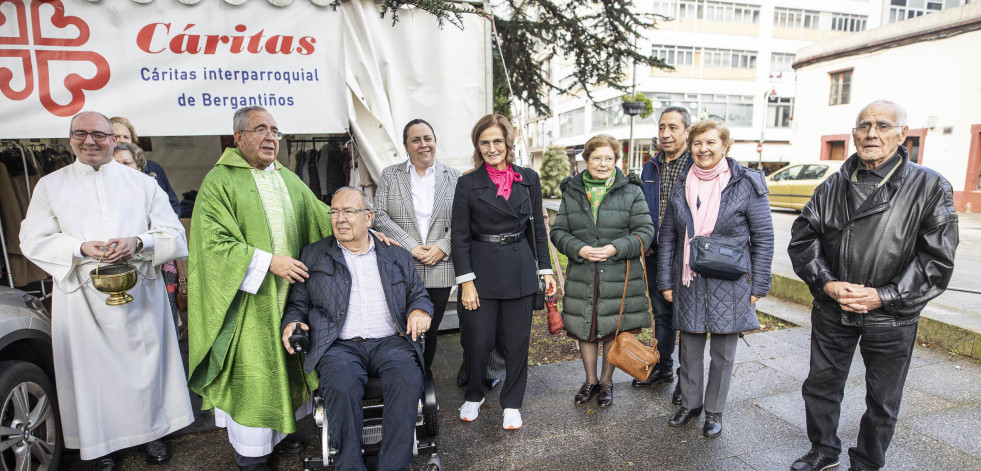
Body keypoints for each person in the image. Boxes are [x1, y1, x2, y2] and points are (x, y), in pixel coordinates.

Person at [788, 100, 958, 471]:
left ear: (902, 134)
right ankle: (823, 449)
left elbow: (937, 260)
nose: (871, 133)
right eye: (864, 126)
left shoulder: (929, 186)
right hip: (833, 307)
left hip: (892, 316)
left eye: (882, 125)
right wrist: (828, 284)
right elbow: (803, 240)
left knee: (883, 398)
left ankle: (867, 461)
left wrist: (885, 295)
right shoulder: (832, 184)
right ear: (853, 134)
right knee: (820, 385)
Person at [19, 111, 192, 470]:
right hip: (82, 295)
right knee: (93, 374)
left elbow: (175, 234)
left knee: (147, 367)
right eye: (80, 134)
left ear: (115, 140)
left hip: (139, 292)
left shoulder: (143, 184)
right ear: (70, 140)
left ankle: (153, 433)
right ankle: (102, 446)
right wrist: (80, 248)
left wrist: (138, 241)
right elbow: (31, 238)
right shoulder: (50, 185)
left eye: (99, 135)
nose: (90, 141)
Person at [187, 106, 333, 471]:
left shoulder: (286, 177)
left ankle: (280, 433)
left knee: (284, 362)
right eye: (260, 130)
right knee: (253, 371)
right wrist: (268, 262)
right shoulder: (220, 181)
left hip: (289, 295)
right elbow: (213, 244)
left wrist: (365, 228)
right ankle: (251, 453)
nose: (271, 138)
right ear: (238, 138)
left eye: (275, 131)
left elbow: (322, 215)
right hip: (247, 301)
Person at [281, 187, 432, 471]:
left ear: (368, 217)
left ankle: (394, 466)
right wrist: (293, 322)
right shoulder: (313, 255)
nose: (340, 219)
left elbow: (418, 294)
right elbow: (298, 304)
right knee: (341, 381)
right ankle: (349, 465)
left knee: (407, 377)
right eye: (335, 212)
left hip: (390, 341)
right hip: (340, 345)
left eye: (349, 211)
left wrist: (420, 310)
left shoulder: (395, 255)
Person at [657, 119, 774, 438]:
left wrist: (759, 285)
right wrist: (665, 280)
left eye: (711, 142)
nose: (703, 149)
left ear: (725, 146)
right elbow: (668, 235)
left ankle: (714, 411)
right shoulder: (682, 182)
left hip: (732, 279)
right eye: (697, 143)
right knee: (690, 345)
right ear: (690, 146)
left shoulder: (747, 183)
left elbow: (764, 237)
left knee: (723, 351)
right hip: (688, 277)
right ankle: (690, 403)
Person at [452, 114, 556, 429]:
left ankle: (512, 403)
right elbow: (459, 236)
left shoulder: (529, 178)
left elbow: (537, 228)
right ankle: (474, 394)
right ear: (477, 146)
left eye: (497, 141)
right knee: (477, 341)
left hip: (520, 268)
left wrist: (546, 268)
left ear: (507, 142)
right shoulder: (467, 183)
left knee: (517, 342)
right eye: (485, 142)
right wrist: (466, 281)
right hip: (481, 272)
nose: (492, 148)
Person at [550, 134, 655, 408]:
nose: (603, 164)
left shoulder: (631, 191)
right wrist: (579, 249)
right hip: (584, 272)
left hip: (619, 273)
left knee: (612, 330)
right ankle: (590, 380)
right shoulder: (573, 191)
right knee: (586, 328)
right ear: (586, 160)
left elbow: (645, 232)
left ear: (616, 161)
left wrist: (614, 248)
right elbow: (559, 231)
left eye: (609, 158)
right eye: (597, 158)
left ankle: (607, 383)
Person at [372, 119, 460, 374]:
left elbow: (465, 219)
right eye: (416, 139)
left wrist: (443, 246)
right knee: (399, 327)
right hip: (401, 263)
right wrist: (410, 246)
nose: (424, 144)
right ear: (406, 146)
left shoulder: (453, 177)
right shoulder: (391, 174)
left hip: (439, 265)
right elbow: (379, 215)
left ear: (435, 141)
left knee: (430, 330)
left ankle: (423, 378)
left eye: (428, 138)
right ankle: (402, 377)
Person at [633, 106, 694, 406]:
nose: (666, 134)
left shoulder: (697, 164)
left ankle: (688, 379)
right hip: (655, 253)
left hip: (688, 256)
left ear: (686, 131)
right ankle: (663, 368)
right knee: (662, 315)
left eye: (673, 127)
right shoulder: (650, 167)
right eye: (661, 127)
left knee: (689, 318)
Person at [114, 141, 182, 331]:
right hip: (122, 269)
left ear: (139, 165)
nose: (121, 169)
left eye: (126, 163)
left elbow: (172, 219)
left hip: (156, 261)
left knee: (163, 316)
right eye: (115, 164)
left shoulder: (152, 188)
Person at [110, 117, 180, 215]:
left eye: (126, 137)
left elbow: (172, 204)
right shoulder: (101, 169)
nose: (122, 140)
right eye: (116, 137)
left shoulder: (153, 168)